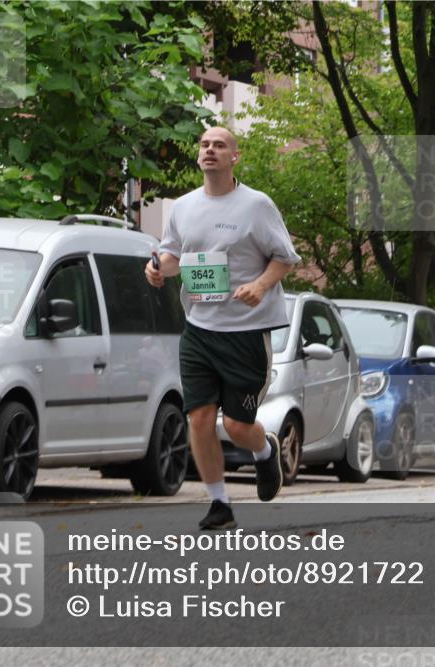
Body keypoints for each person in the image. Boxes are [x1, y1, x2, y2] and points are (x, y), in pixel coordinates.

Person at [145, 126, 300, 530]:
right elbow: (172, 255)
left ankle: (264, 451)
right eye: (204, 144)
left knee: (235, 426)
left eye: (219, 145)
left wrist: (261, 285)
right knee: (198, 417)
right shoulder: (182, 207)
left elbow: (285, 257)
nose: (209, 150)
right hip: (199, 328)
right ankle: (219, 502)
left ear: (236, 156)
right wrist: (157, 270)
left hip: (246, 331)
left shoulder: (256, 206)